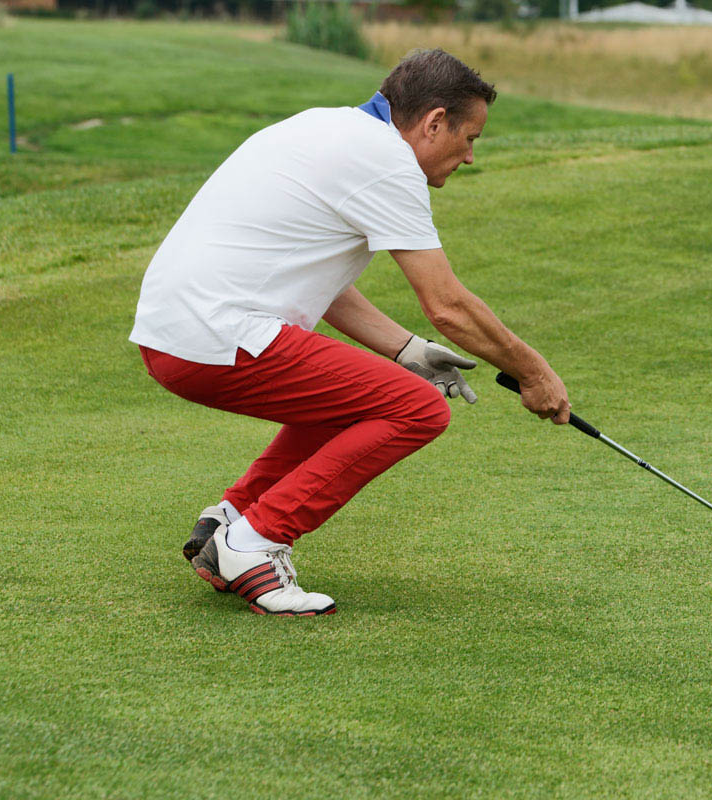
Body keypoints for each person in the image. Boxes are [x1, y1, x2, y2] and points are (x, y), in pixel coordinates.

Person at [130, 49, 570, 617]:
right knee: (417, 409)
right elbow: (448, 306)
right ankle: (254, 542)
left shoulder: (325, 126)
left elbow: (321, 281)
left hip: (175, 334)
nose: (468, 156)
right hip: (220, 335)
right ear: (434, 121)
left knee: (361, 397)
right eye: (470, 139)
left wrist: (406, 350)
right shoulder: (388, 162)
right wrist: (534, 373)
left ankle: (232, 520)